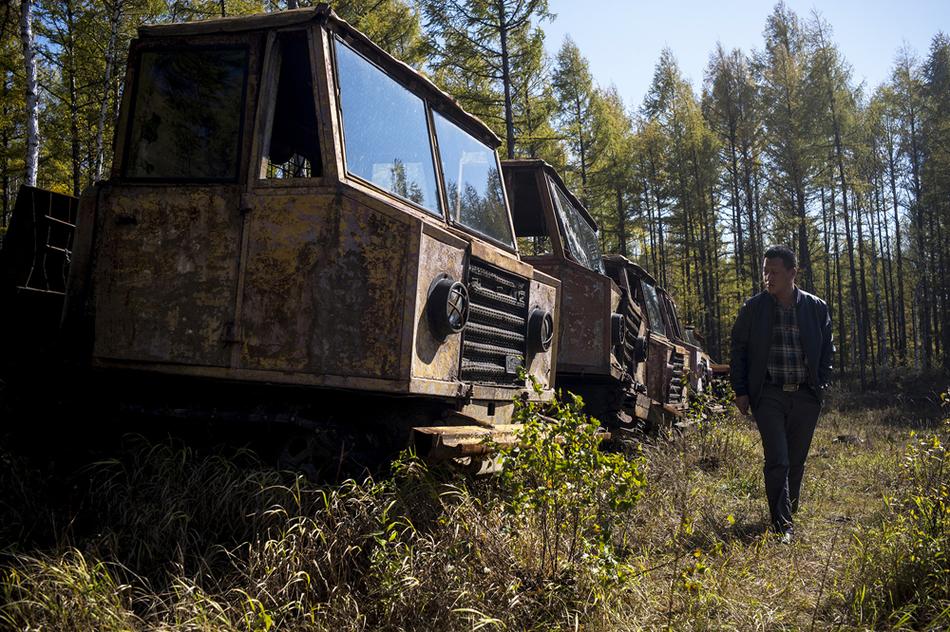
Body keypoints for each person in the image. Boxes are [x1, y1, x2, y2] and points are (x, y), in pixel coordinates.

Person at [730, 245, 833, 543]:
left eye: (774, 271)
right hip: (769, 393)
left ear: (792, 273)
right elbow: (739, 349)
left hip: (805, 395)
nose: (768, 277)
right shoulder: (754, 308)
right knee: (778, 459)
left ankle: (789, 511)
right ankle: (783, 526)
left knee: (796, 460)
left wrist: (820, 385)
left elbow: (828, 349)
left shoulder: (816, 307)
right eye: (765, 271)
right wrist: (741, 390)